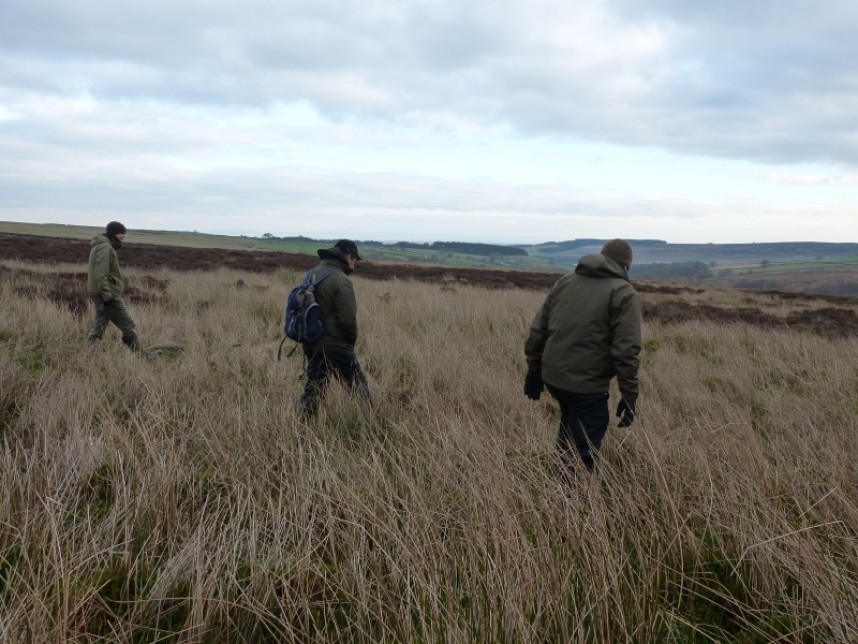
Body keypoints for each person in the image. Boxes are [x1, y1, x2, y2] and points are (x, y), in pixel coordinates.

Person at [524, 239, 642, 476]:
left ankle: (558, 483)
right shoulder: (623, 292)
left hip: (554, 379)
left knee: (569, 429)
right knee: (583, 455)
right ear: (626, 266)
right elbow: (626, 351)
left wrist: (534, 372)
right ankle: (570, 503)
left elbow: (539, 330)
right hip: (586, 387)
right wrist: (630, 395)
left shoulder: (565, 282)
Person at [298, 239, 370, 417]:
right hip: (335, 345)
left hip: (311, 342)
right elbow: (347, 319)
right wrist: (350, 342)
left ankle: (302, 425)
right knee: (359, 387)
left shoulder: (311, 274)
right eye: (355, 259)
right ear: (348, 257)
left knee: (315, 388)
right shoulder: (341, 280)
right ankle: (369, 424)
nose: (356, 263)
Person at [87, 221, 141, 351]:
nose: (124, 236)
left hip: (99, 291)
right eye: (122, 233)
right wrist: (108, 295)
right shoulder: (105, 247)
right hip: (105, 293)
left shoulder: (102, 245)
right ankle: (141, 355)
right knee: (127, 325)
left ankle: (90, 349)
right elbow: (101, 273)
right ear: (116, 233)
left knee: (101, 321)